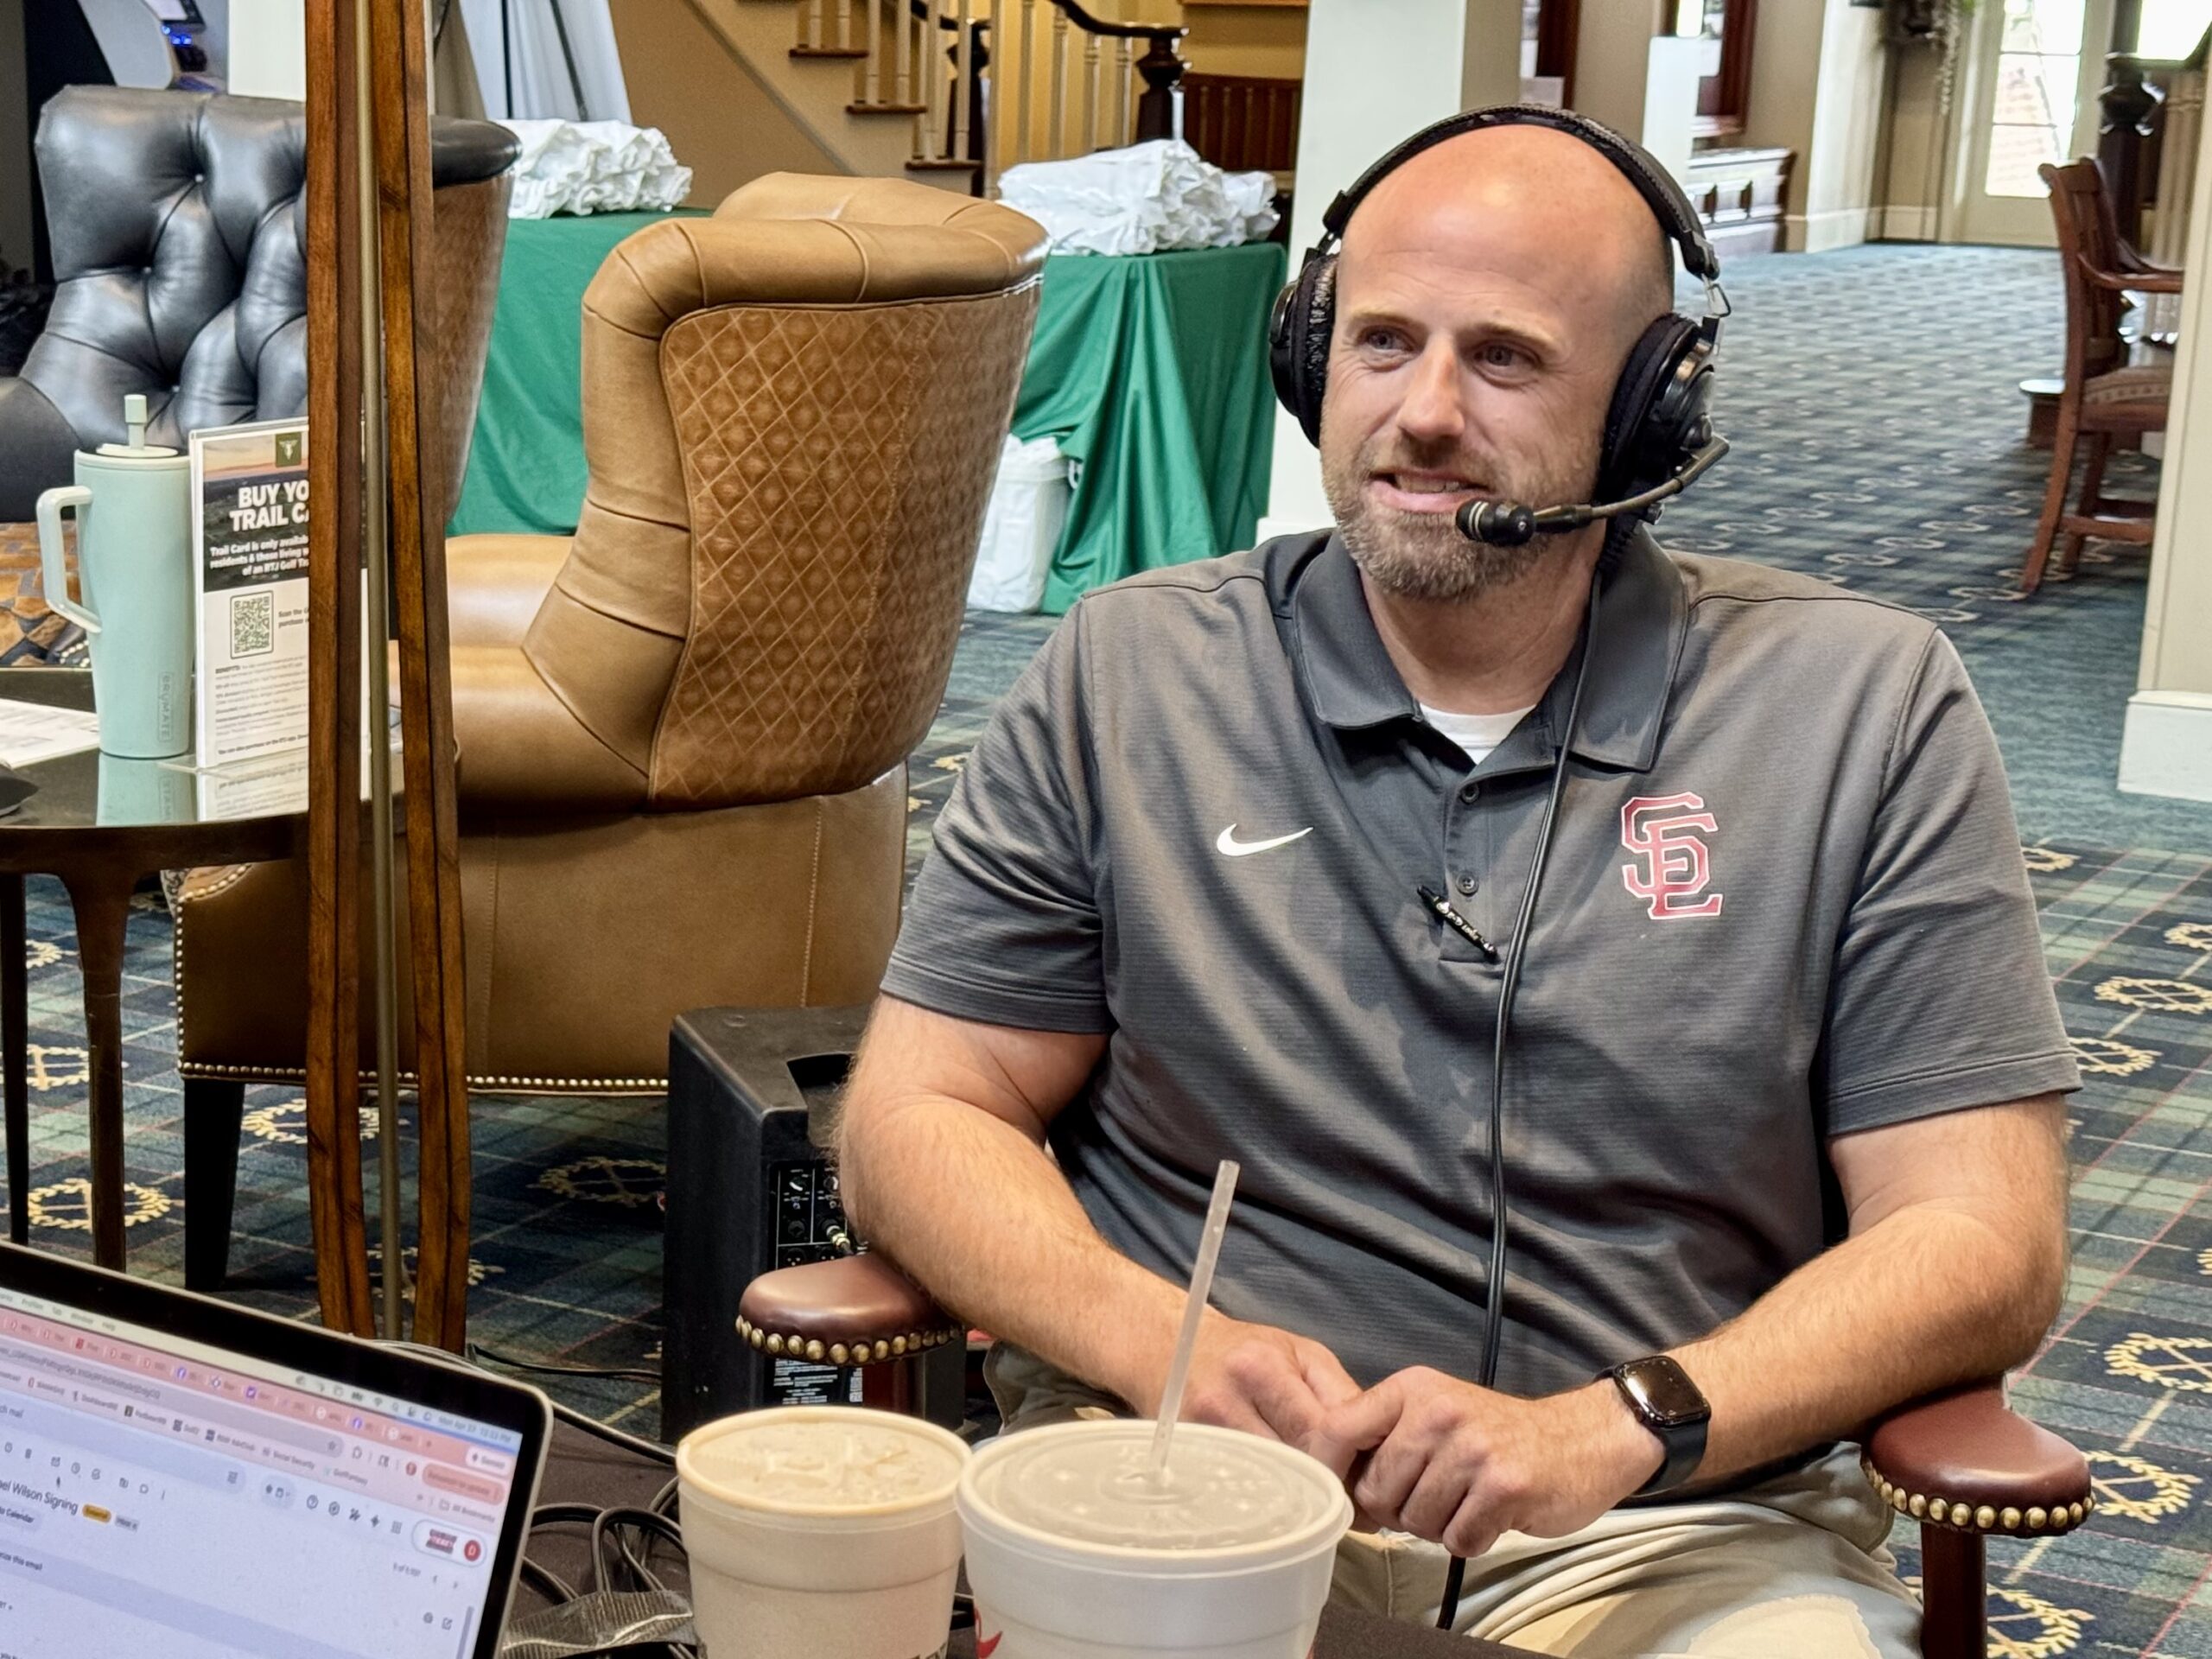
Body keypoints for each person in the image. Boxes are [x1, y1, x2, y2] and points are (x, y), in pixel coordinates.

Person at [836, 106, 2076, 1658]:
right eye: (1379, 342)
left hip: (1668, 1531)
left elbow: (1982, 1239)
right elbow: (919, 1113)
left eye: (1503, 359)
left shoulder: (1861, 707)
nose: (1422, 414)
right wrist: (1161, 1342)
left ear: (1647, 411)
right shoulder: (1129, 673)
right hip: (1177, 1495)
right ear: (1310, 358)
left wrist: (1618, 1425)